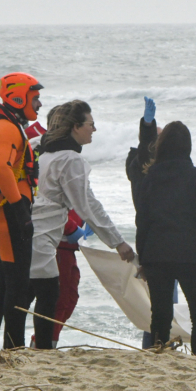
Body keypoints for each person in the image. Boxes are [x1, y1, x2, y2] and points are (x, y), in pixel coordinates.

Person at [30, 101, 135, 349]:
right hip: (46, 237)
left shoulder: (44, 153)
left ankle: (26, 349)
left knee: (28, 296)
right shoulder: (69, 159)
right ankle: (43, 350)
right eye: (90, 124)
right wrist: (118, 242)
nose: (94, 130)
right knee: (52, 298)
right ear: (76, 127)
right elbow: (88, 204)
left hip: (36, 234)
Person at [135, 121, 196, 357]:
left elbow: (142, 220)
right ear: (188, 147)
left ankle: (160, 357)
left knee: (160, 315)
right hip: (189, 254)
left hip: (156, 254)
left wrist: (142, 258)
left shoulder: (150, 177)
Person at [0, 72, 43, 349]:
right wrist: (20, 211)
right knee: (17, 286)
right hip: (7, 219)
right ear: (18, 97)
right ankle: (13, 348)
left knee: (1, 284)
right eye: (35, 98)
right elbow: (3, 168)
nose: (39, 105)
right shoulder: (6, 129)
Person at [24, 119, 94, 348]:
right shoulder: (47, 154)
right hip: (56, 240)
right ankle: (43, 344)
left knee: (58, 296)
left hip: (60, 239)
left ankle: (38, 343)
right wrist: (72, 228)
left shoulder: (53, 154)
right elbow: (42, 202)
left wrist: (83, 222)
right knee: (60, 297)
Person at [125, 96, 162, 349]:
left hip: (160, 244)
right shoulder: (140, 169)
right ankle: (152, 348)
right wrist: (148, 127)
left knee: (161, 304)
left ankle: (155, 346)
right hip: (152, 244)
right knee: (159, 306)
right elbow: (145, 151)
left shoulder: (162, 171)